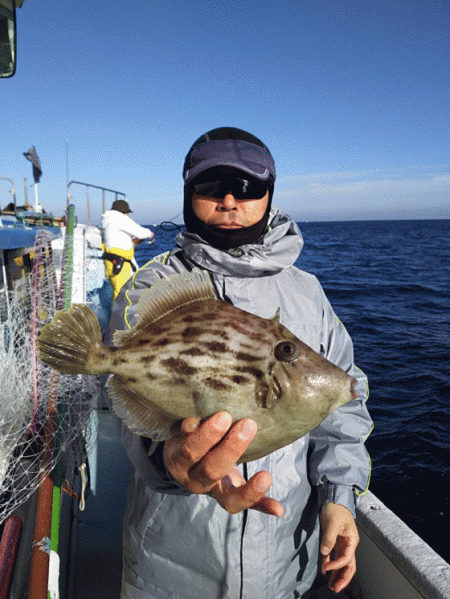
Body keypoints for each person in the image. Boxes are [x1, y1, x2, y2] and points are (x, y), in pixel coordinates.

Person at [110, 127, 372, 598]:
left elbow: (343, 406)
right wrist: (168, 461)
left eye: (248, 188)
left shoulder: (308, 293)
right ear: (189, 194)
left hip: (289, 560)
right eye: (211, 187)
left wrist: (340, 499)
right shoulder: (152, 286)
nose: (230, 200)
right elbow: (132, 403)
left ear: (270, 195)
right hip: (173, 567)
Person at [101, 199, 154, 299]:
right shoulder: (118, 218)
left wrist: (134, 242)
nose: (127, 216)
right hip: (120, 263)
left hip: (113, 262)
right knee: (122, 294)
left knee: (119, 291)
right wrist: (149, 234)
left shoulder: (109, 221)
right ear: (124, 212)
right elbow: (140, 232)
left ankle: (120, 312)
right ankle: (120, 314)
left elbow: (117, 242)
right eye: (126, 213)